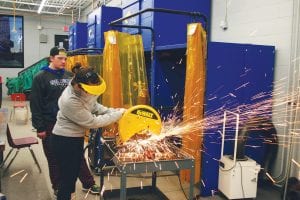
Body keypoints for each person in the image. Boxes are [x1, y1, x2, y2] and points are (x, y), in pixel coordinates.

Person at [30, 47, 101, 196]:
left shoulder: (70, 76)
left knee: (77, 155)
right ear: (51, 58)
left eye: (65, 59)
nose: (63, 61)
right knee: (53, 157)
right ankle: (58, 186)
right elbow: (35, 104)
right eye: (60, 58)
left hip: (72, 122)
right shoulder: (40, 77)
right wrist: (39, 127)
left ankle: (88, 183)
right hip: (50, 123)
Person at [51, 67, 125, 200]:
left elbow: (94, 106)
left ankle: (69, 196)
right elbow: (93, 122)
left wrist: (112, 111)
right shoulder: (70, 100)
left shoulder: (83, 89)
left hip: (74, 138)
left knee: (72, 174)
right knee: (67, 179)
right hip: (64, 140)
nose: (91, 93)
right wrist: (117, 115)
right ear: (79, 86)